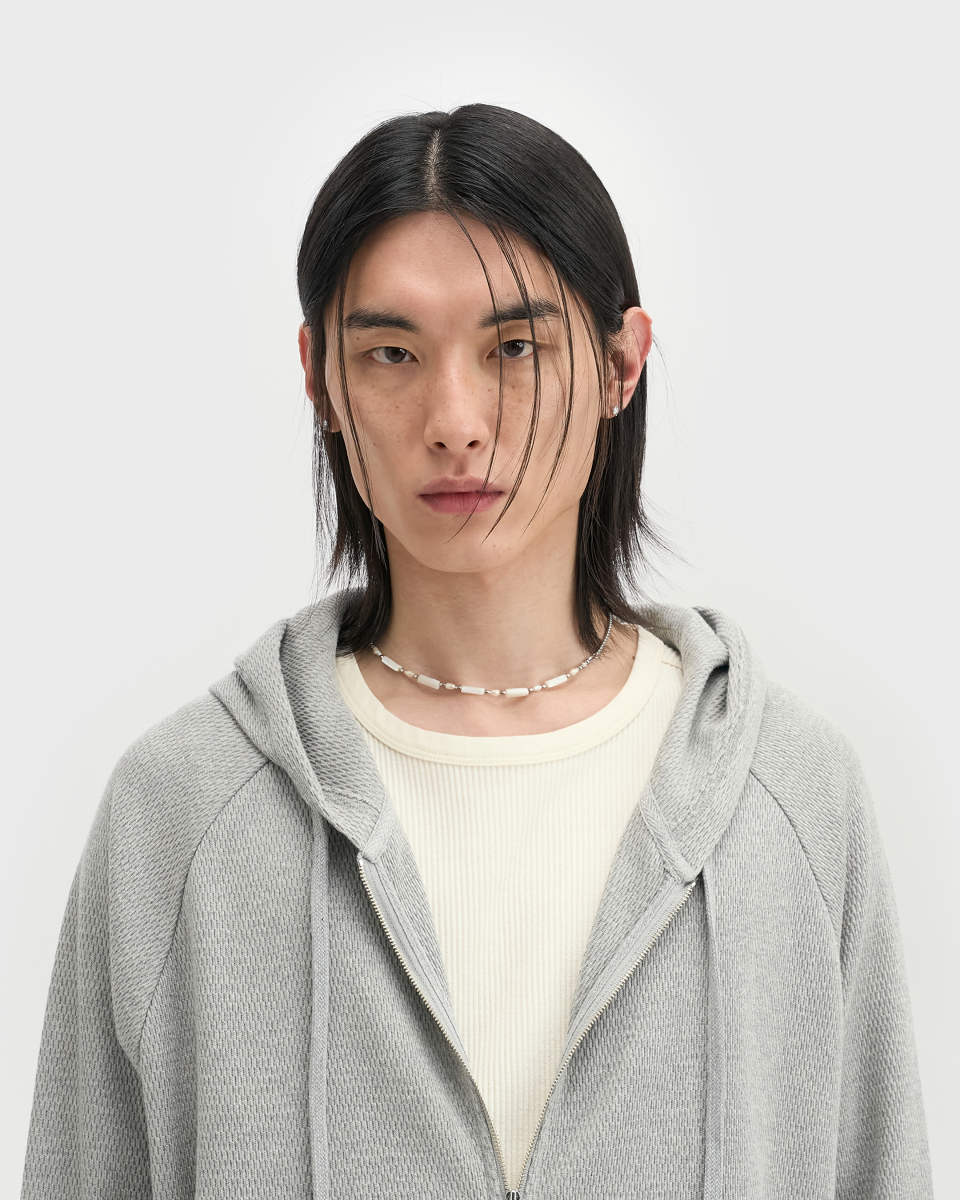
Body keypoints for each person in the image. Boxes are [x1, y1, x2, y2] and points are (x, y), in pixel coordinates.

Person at [22, 104, 933, 1200]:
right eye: (392, 353)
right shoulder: (178, 811)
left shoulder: (795, 796)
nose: (454, 420)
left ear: (622, 364)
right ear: (320, 379)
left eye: (514, 348)